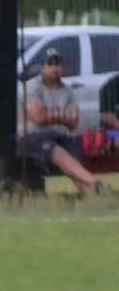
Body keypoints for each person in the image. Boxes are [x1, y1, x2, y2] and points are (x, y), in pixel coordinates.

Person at [19, 48, 109, 196]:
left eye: (58, 64)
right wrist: (62, 115)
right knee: (57, 150)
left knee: (72, 153)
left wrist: (51, 114)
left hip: (61, 136)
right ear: (43, 67)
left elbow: (74, 121)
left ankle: (96, 196)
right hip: (33, 138)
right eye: (50, 64)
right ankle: (95, 183)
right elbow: (39, 118)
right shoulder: (32, 87)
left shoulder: (66, 90)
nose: (55, 68)